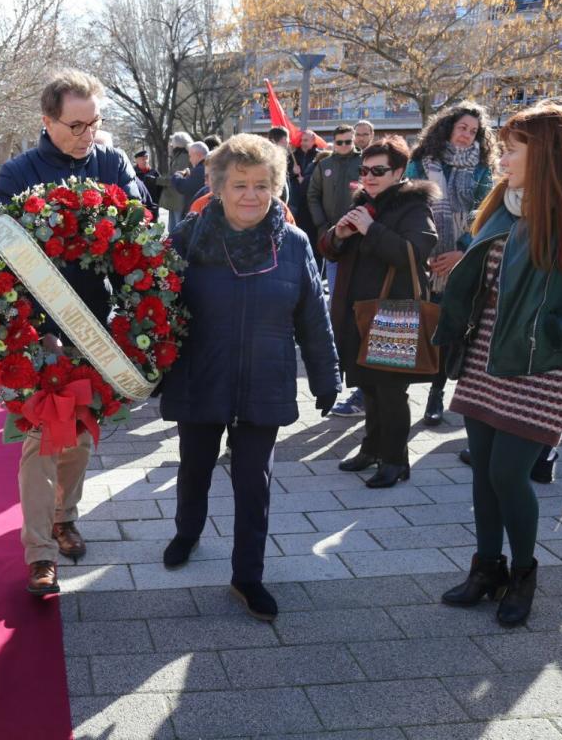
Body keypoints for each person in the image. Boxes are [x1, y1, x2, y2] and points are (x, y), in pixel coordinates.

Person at [435, 103, 562, 626]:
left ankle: (523, 574)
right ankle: (486, 569)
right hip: (485, 354)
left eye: (513, 150)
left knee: (508, 474)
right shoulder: (505, 203)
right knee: (483, 474)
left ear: (546, 154)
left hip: (543, 362)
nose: (502, 159)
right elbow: (480, 269)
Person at [159, 134, 339, 620]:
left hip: (265, 381)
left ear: (276, 188)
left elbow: (313, 316)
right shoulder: (188, 239)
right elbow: (157, 309)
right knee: (194, 468)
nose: (251, 195)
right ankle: (187, 532)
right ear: (218, 187)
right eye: (240, 185)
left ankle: (248, 576)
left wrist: (326, 377)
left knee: (254, 483)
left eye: (262, 185)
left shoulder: (294, 243)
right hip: (201, 376)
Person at [0, 68, 137, 596]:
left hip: (95, 325)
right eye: (76, 125)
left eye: (94, 122)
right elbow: (0, 255)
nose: (87, 135)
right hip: (37, 329)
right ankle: (39, 554)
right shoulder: (17, 174)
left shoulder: (113, 164)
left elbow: (140, 229)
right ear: (47, 121)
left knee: (78, 434)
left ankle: (64, 516)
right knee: (40, 441)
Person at [318, 136, 438, 488]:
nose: (368, 177)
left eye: (378, 171)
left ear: (399, 172)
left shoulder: (413, 207)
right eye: (364, 170)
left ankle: (396, 460)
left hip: (393, 312)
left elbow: (412, 253)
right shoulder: (363, 203)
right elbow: (330, 250)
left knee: (390, 390)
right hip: (358, 312)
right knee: (368, 386)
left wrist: (371, 229)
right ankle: (371, 449)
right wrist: (338, 235)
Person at [406, 101, 497, 426]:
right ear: (447, 127)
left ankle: (436, 392)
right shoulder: (420, 162)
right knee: (413, 323)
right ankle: (395, 390)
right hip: (421, 255)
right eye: (462, 128)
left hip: (462, 261)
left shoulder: (483, 169)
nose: (467, 135)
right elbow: (410, 205)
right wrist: (424, 247)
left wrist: (462, 252)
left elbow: (485, 216)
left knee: (449, 328)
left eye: (473, 131)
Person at [309, 125, 365, 418]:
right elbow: (313, 195)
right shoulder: (324, 165)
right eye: (339, 142)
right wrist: (322, 226)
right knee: (336, 301)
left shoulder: (363, 163)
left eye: (348, 141)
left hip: (360, 238)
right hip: (332, 238)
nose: (344, 145)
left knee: (357, 304)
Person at [158, 131, 195, 231]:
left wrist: (158, 180)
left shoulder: (183, 157)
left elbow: (177, 177)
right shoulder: (179, 156)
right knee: (173, 228)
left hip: (179, 199)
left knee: (177, 228)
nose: (171, 144)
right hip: (176, 199)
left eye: (173, 142)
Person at [170, 141, 209, 213]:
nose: (190, 160)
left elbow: (183, 186)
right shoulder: (209, 165)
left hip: (199, 212)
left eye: (190, 156)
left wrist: (178, 175)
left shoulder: (200, 169)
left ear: (198, 155)